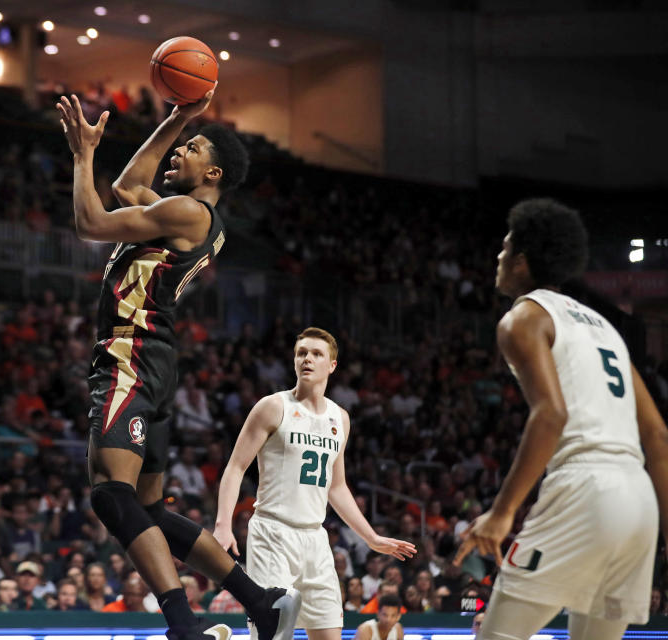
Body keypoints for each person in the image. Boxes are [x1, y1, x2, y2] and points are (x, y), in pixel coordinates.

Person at [57, 86, 299, 640]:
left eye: (191, 148)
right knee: (152, 509)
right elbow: (124, 188)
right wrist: (175, 117)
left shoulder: (187, 211)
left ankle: (183, 624)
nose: (178, 153)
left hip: (130, 352)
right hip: (156, 359)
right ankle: (260, 603)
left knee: (110, 495)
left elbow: (91, 220)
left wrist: (80, 154)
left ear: (213, 173)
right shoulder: (192, 218)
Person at [455, 199, 668, 640]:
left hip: (585, 489)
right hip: (639, 502)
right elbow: (658, 435)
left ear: (523, 260)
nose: (498, 257)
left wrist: (501, 513)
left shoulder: (522, 318)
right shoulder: (606, 329)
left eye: (505, 247)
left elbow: (550, 415)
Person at [214, 328, 415, 640]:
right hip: (273, 533)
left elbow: (337, 488)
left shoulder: (340, 418)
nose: (307, 358)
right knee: (272, 634)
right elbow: (235, 468)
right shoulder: (273, 406)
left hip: (316, 538)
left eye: (316, 354)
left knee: (329, 635)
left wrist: (371, 537)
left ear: (332, 365)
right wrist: (223, 525)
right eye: (301, 353)